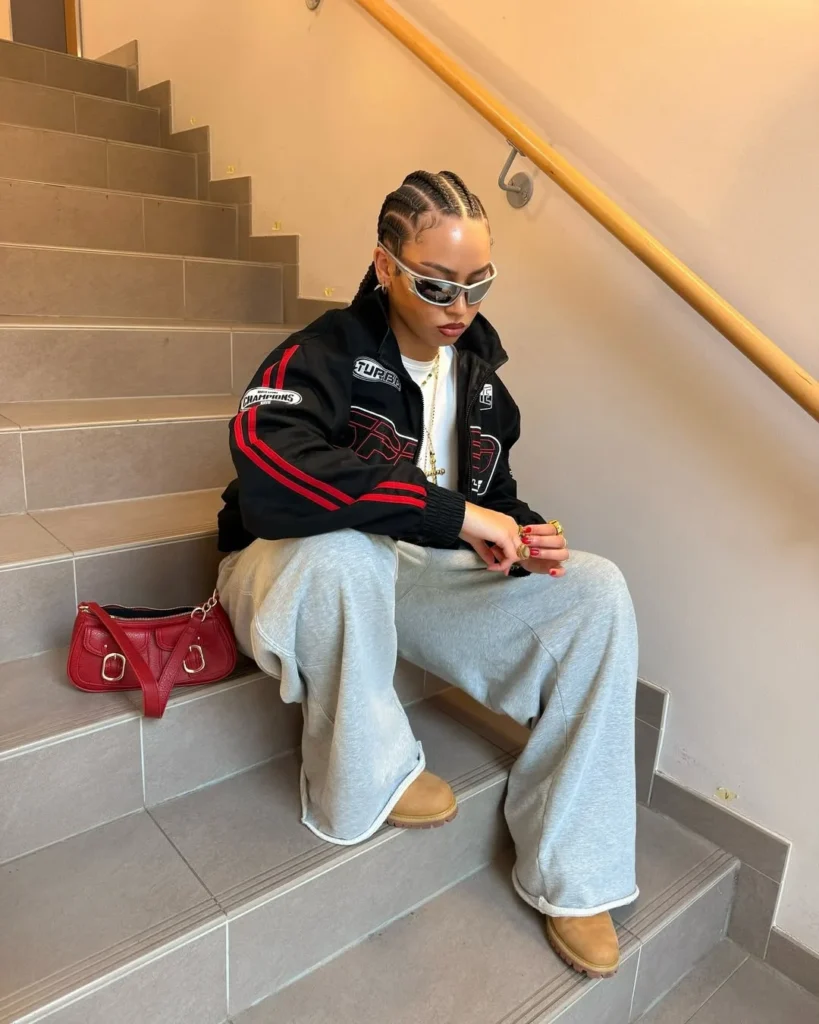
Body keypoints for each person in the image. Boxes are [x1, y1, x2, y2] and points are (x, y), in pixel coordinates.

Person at [216, 170, 638, 979]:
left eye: (478, 284)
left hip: (415, 577)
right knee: (343, 550)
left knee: (597, 590)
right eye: (436, 285)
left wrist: (517, 531)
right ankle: (367, 773)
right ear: (384, 266)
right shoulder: (322, 353)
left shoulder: (482, 383)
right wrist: (453, 517)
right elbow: (271, 472)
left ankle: (572, 869)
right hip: (290, 567)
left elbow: (490, 494)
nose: (459, 306)